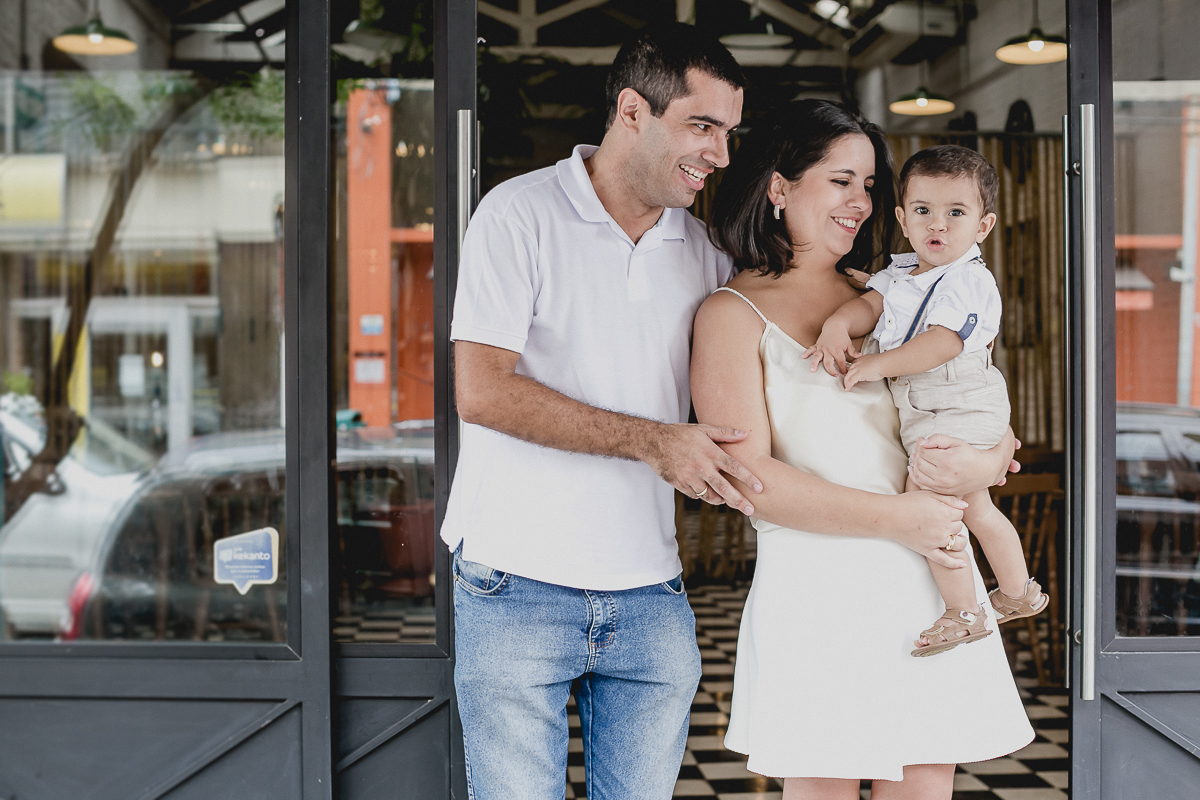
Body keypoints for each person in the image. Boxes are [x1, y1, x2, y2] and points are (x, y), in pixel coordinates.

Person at [443, 24, 759, 800]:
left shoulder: (708, 253)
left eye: (728, 133)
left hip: (652, 592)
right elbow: (481, 391)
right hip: (515, 584)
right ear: (632, 110)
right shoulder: (518, 214)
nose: (720, 154)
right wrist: (655, 442)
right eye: (702, 126)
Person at [691, 100, 1034, 799]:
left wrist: (983, 461)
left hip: (929, 583)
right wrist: (901, 518)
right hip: (819, 591)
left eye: (871, 185)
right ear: (780, 187)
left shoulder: (894, 295)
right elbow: (748, 477)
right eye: (841, 180)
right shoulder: (730, 313)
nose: (860, 201)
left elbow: (977, 408)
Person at [805, 144, 1048, 657]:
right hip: (930, 407)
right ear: (902, 218)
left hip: (959, 399)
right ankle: (1019, 591)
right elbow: (869, 307)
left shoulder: (968, 279)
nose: (938, 224)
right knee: (975, 507)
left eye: (956, 213)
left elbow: (943, 343)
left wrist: (877, 365)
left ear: (983, 226)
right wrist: (835, 326)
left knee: (930, 506)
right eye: (923, 210)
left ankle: (964, 612)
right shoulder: (902, 275)